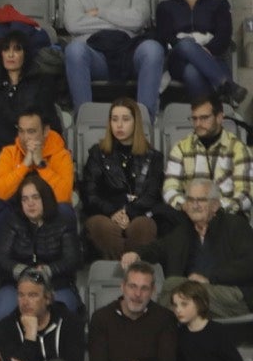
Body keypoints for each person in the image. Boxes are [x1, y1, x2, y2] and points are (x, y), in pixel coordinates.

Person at [62, 0, 166, 116]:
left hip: (129, 53)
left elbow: (137, 20)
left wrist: (100, 12)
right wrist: (120, 24)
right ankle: (84, 118)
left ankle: (145, 119)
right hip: (95, 55)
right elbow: (73, 24)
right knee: (74, 50)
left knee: (153, 49)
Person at [128, 175, 253, 318]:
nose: (195, 205)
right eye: (191, 200)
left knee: (173, 286)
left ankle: (155, 328)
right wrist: (136, 254)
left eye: (201, 200)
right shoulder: (184, 231)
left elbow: (249, 263)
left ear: (215, 205)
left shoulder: (235, 225)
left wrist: (210, 278)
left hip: (233, 297)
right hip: (192, 296)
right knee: (176, 294)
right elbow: (159, 248)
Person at [82, 98, 168, 260]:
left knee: (143, 226)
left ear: (136, 123)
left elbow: (151, 195)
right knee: (100, 226)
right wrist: (113, 212)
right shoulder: (97, 153)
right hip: (105, 213)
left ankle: (132, 272)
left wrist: (128, 212)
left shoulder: (154, 157)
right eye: (114, 120)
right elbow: (90, 194)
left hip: (139, 214)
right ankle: (125, 273)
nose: (119, 125)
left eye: (125, 119)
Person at [0, 173, 83, 320]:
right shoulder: (12, 220)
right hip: (16, 285)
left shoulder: (63, 220)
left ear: (45, 199)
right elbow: (0, 258)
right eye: (25, 199)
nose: (30, 204)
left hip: (55, 284)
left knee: (63, 312)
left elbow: (73, 259)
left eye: (35, 197)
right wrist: (22, 271)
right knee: (4, 310)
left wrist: (47, 270)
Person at [156, 0, 244, 106]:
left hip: (213, 57)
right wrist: (192, 48)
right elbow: (165, 35)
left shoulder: (219, 4)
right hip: (177, 59)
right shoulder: (165, 7)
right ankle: (226, 85)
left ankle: (205, 112)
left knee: (192, 71)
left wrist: (206, 51)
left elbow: (224, 35)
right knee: (186, 44)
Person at [160, 94, 253, 213]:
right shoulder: (181, 148)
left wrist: (216, 208)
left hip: (226, 214)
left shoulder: (238, 149)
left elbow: (246, 195)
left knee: (236, 226)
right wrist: (186, 206)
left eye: (204, 118)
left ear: (219, 118)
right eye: (194, 118)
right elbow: (169, 189)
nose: (198, 124)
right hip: (189, 213)